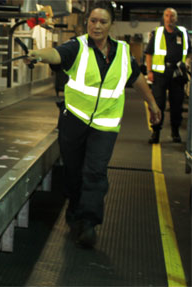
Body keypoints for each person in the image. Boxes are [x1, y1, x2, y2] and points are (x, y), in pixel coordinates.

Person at [24, 1, 161, 248]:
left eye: (103, 22)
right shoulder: (77, 47)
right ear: (87, 22)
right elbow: (56, 54)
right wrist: (38, 54)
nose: (97, 26)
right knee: (74, 173)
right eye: (93, 21)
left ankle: (89, 223)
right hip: (74, 121)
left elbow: (136, 77)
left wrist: (152, 103)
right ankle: (75, 208)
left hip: (105, 126)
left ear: (111, 25)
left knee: (95, 173)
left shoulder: (122, 51)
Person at [145, 8, 192, 144]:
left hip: (177, 74)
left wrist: (186, 64)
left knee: (176, 104)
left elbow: (189, 52)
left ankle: (175, 132)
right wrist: (149, 72)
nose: (169, 18)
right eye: (167, 15)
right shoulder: (158, 33)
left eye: (172, 16)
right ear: (163, 18)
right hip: (160, 74)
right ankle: (156, 132)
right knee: (157, 104)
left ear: (176, 19)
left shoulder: (182, 33)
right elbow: (149, 53)